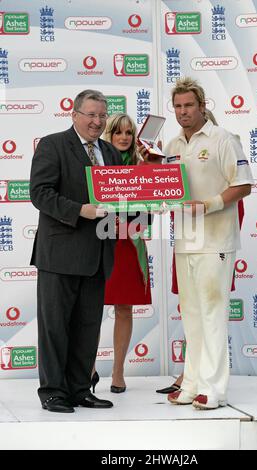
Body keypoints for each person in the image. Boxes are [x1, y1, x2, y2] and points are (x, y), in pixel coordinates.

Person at [30, 89, 123, 413]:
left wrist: (148, 205)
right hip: (59, 254)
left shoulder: (111, 152)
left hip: (98, 254)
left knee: (88, 327)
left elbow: (121, 199)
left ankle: (81, 388)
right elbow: (40, 193)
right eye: (91, 115)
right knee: (55, 327)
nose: (97, 121)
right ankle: (54, 391)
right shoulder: (53, 144)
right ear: (74, 114)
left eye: (102, 115)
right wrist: (78, 210)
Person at [164, 77, 254, 409]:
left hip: (216, 238)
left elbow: (243, 184)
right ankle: (191, 383)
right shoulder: (172, 145)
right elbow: (168, 190)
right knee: (190, 314)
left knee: (213, 312)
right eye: (178, 106)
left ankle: (214, 389)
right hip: (185, 240)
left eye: (189, 105)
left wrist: (209, 205)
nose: (183, 111)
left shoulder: (223, 138)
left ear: (203, 106)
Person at [91, 113, 152, 394]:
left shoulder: (143, 167)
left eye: (129, 132)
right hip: (99, 244)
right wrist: (108, 222)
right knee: (90, 309)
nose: (124, 137)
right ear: (109, 135)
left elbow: (147, 218)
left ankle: (118, 371)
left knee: (124, 309)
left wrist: (126, 226)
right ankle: (88, 369)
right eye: (118, 132)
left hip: (128, 246)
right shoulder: (96, 163)